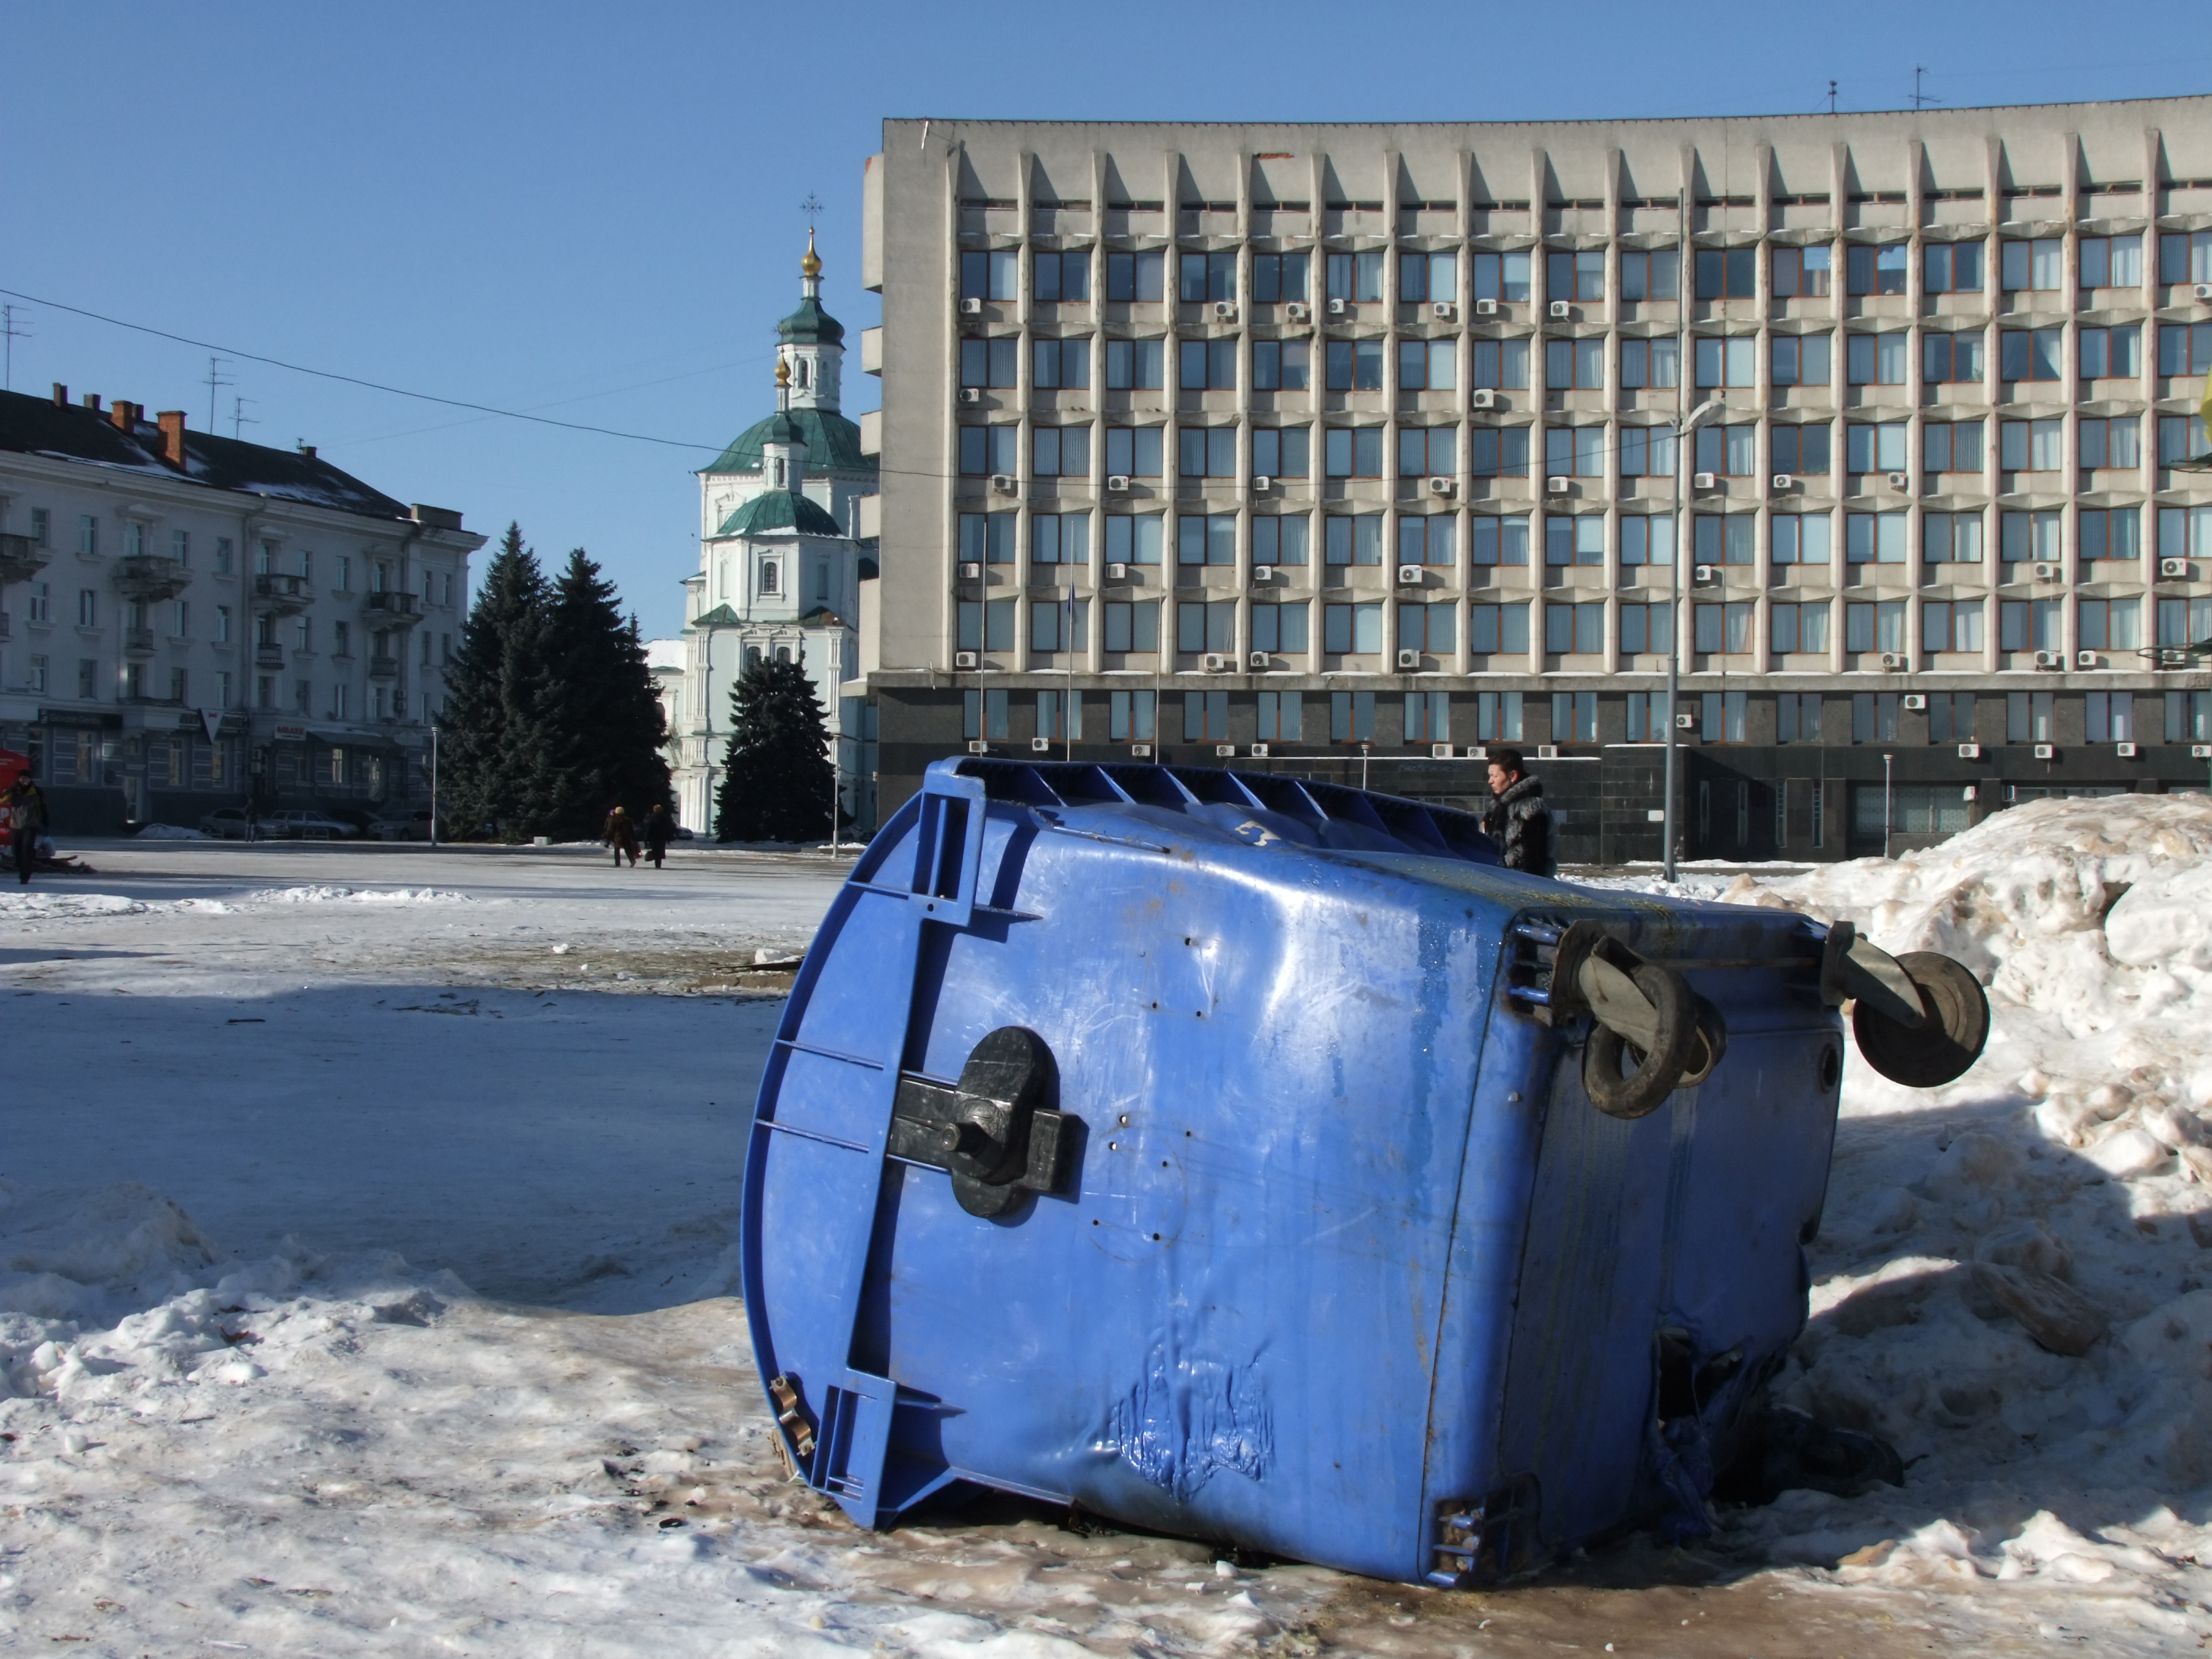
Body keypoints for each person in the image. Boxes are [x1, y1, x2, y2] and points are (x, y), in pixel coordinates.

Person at [1481, 747, 1555, 877]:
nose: (1490, 781)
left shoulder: (1531, 808)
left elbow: (1535, 858)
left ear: (1513, 776)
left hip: (1522, 885)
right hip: (1497, 881)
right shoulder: (1496, 806)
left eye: (1495, 776)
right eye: (1490, 776)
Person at [5, 774, 49, 886]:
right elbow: (2, 799)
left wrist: (45, 821)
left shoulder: (36, 792)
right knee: (17, 851)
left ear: (30, 779)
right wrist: (12, 789)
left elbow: (42, 807)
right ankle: (21, 867)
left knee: (27, 850)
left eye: (26, 778)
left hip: (31, 825)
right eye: (22, 778)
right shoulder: (14, 791)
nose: (24, 780)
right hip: (16, 825)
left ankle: (25, 876)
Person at [603, 804, 640, 869]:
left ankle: (617, 863)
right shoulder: (628, 819)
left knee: (617, 850)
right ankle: (632, 860)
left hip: (618, 837)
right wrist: (633, 837)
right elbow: (631, 830)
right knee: (627, 849)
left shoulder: (614, 820)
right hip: (627, 837)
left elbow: (611, 829)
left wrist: (606, 835)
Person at [642, 803, 676, 870]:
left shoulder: (652, 817)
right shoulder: (665, 817)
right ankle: (658, 864)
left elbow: (649, 828)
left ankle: (655, 860)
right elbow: (669, 828)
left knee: (655, 850)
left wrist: (647, 839)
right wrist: (669, 837)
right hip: (662, 837)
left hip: (654, 838)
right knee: (660, 850)